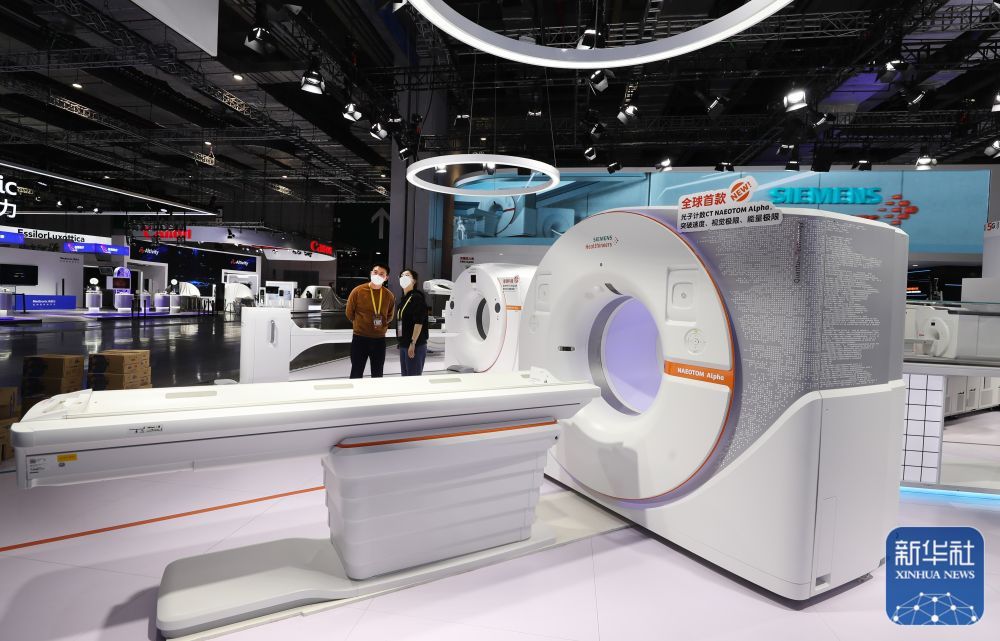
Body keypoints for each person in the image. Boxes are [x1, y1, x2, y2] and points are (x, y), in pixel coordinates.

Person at [346, 264, 395, 378]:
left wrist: (380, 327)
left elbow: (390, 316)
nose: (377, 275)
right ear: (371, 273)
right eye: (375, 272)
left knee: (377, 374)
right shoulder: (358, 291)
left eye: (381, 274)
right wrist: (360, 324)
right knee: (356, 372)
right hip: (360, 338)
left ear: (386, 277)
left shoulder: (389, 295)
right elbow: (349, 313)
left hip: (379, 340)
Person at [396, 268, 429, 376]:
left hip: (415, 344)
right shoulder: (404, 300)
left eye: (407, 275)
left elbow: (419, 322)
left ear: (414, 281)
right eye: (402, 275)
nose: (403, 277)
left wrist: (413, 343)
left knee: (413, 377)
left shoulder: (417, 298)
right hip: (404, 344)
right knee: (405, 377)